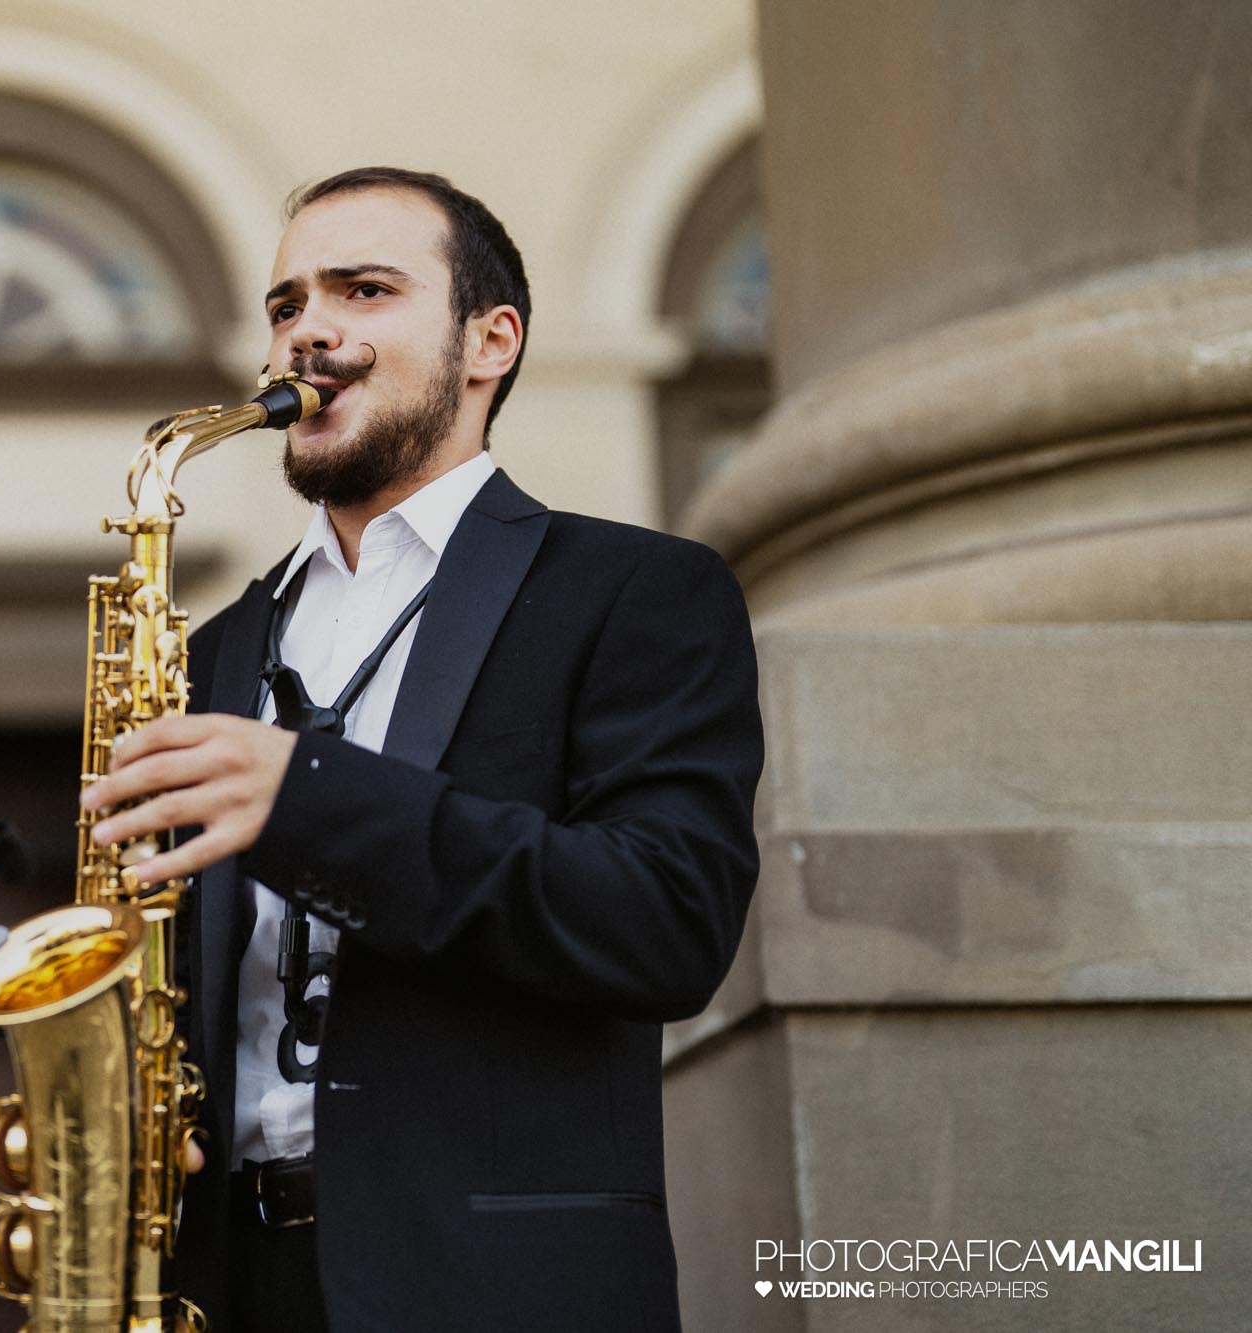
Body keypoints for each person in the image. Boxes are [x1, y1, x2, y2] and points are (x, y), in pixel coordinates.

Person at [80, 167, 763, 1333]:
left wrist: (309, 802)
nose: (310, 332)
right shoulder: (211, 652)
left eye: (365, 290)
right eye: (287, 305)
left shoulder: (634, 592)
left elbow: (666, 919)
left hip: (494, 1290)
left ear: (487, 341)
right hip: (222, 1288)